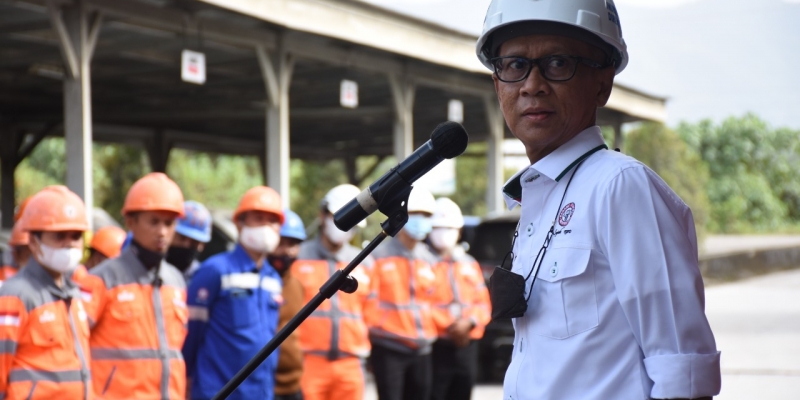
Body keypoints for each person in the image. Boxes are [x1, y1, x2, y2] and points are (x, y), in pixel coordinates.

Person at [475, 1, 721, 399]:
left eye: (558, 63)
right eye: (515, 65)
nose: (532, 85)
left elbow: (682, 372)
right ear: (497, 85)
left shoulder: (621, 187)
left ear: (602, 83)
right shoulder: (538, 198)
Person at [82, 172, 188, 399]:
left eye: (169, 223)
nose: (162, 232)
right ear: (131, 222)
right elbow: (74, 348)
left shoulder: (176, 282)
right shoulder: (101, 279)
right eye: (154, 222)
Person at [183, 186, 285, 400]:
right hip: (217, 392)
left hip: (261, 393)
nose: (266, 226)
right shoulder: (215, 270)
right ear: (240, 223)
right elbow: (191, 333)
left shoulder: (274, 279)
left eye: (272, 220)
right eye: (259, 218)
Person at [0, 185, 95, 399]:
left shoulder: (74, 296)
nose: (69, 244)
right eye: (59, 236)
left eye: (76, 236)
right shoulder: (15, 296)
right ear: (33, 242)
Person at [292, 184, 374, 400]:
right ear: (322, 215)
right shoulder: (298, 258)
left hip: (352, 364)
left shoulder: (364, 262)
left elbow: (371, 313)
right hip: (308, 362)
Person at [367, 186, 439, 400]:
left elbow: (434, 302)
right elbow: (367, 303)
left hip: (422, 349)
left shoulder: (430, 260)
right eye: (416, 213)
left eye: (426, 215)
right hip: (389, 348)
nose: (421, 220)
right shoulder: (378, 257)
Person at [427, 197, 490, 400]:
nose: (443, 233)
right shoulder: (423, 263)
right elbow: (420, 304)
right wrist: (451, 327)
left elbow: (483, 303)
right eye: (438, 227)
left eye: (449, 228)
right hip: (437, 346)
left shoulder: (469, 263)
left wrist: (469, 323)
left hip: (467, 344)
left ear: (459, 231)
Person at [271, 209, 307, 400]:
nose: (285, 250)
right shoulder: (255, 283)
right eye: (280, 243)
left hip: (294, 386)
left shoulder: (297, 285)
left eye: (292, 244)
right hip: (264, 386)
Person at [166, 200, 212, 280]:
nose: (186, 245)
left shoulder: (202, 278)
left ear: (203, 245)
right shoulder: (150, 267)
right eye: (182, 237)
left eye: (194, 242)